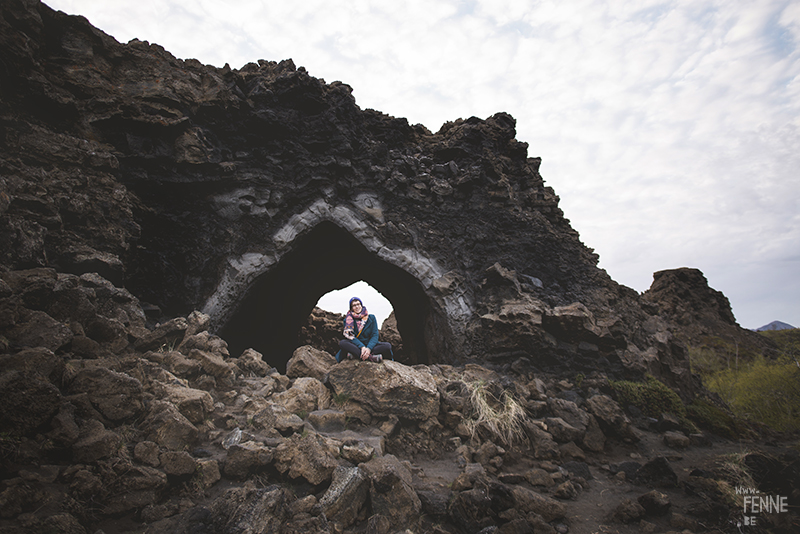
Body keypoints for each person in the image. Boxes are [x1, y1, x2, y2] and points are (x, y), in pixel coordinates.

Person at [335, 297, 393, 363]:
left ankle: (356, 355)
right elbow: (350, 336)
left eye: (358, 304)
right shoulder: (348, 320)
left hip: (369, 345)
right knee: (343, 343)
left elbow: (375, 335)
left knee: (387, 346)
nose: (357, 307)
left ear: (361, 305)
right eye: (354, 305)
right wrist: (362, 347)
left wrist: (368, 349)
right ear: (351, 308)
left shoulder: (371, 318)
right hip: (356, 345)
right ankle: (370, 357)